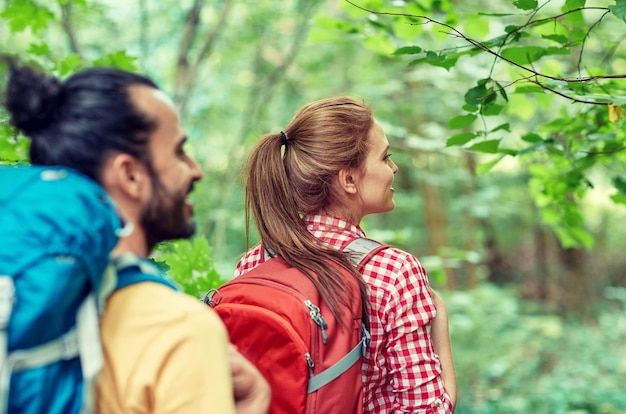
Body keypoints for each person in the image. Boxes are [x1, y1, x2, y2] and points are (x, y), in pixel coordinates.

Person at [5, 64, 270, 414]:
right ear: (130, 175)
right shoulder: (176, 326)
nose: (195, 169)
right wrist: (254, 403)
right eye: (178, 152)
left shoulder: (19, 296)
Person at [236, 96, 456, 413]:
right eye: (385, 157)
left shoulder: (253, 264)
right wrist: (441, 321)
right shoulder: (394, 271)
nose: (393, 168)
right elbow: (427, 408)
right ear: (349, 179)